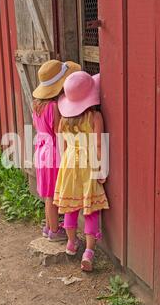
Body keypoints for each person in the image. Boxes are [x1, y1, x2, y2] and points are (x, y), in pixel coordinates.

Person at [54, 71, 109, 271]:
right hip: (88, 163)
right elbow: (100, 145)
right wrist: (102, 169)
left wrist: (63, 165)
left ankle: (71, 243)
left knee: (71, 206)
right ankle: (89, 252)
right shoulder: (95, 116)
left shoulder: (63, 121)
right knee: (90, 209)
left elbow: (62, 146)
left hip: (69, 163)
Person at [32, 59, 81, 241]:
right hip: (54, 152)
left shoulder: (37, 104)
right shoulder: (54, 107)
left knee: (47, 193)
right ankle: (54, 230)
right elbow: (59, 133)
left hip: (42, 150)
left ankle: (48, 226)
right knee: (53, 195)